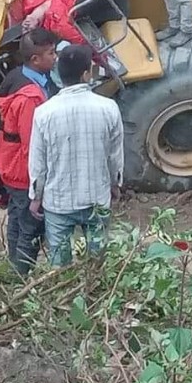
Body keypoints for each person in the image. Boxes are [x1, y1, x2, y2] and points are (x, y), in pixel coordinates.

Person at [28, 44, 123, 267]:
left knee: (59, 266)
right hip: (96, 198)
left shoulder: (44, 113)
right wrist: (115, 184)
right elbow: (114, 155)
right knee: (97, 263)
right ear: (86, 74)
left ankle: (60, 298)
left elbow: (38, 162)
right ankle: (97, 295)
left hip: (59, 202)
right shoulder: (108, 108)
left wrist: (36, 197)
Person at [0, 28, 59, 276]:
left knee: (16, 218)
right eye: (51, 53)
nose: (55, 57)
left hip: (9, 165)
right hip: (23, 171)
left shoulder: (16, 77)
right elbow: (33, 145)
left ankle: (12, 267)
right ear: (35, 60)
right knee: (31, 226)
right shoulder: (30, 98)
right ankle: (21, 277)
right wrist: (38, 188)